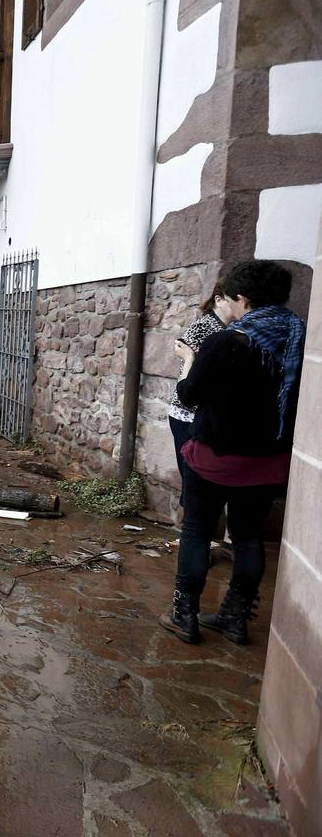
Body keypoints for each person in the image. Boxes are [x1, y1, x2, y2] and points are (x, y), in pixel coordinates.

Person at [160, 261, 305, 645]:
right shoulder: (298, 338)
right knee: (248, 537)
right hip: (268, 462)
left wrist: (190, 362)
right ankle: (234, 618)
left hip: (214, 458)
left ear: (243, 299)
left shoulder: (226, 340)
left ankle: (184, 614)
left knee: (196, 530)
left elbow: (187, 395)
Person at [167, 282, 231, 501]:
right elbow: (191, 376)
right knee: (193, 477)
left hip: (209, 415)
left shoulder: (231, 329)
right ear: (219, 300)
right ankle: (189, 530)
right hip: (188, 412)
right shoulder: (203, 328)